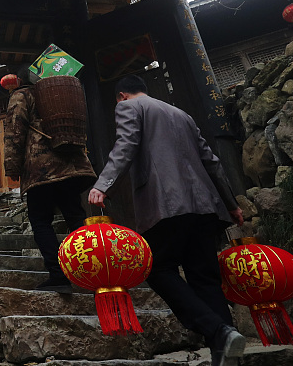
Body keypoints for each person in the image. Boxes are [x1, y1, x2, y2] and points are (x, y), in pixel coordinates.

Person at [87, 74, 246, 366]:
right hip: (204, 204)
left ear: (121, 95)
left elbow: (125, 145)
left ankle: (217, 331)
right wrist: (231, 203)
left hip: (166, 202)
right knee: (205, 279)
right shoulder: (181, 114)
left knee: (156, 268)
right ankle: (225, 351)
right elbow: (211, 161)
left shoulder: (128, 107)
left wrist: (103, 185)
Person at [4, 75, 96, 292]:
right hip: (71, 164)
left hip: (41, 167)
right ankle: (94, 271)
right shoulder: (61, 93)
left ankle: (58, 275)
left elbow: (15, 131)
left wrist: (12, 167)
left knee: (40, 221)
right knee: (75, 217)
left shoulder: (23, 95)